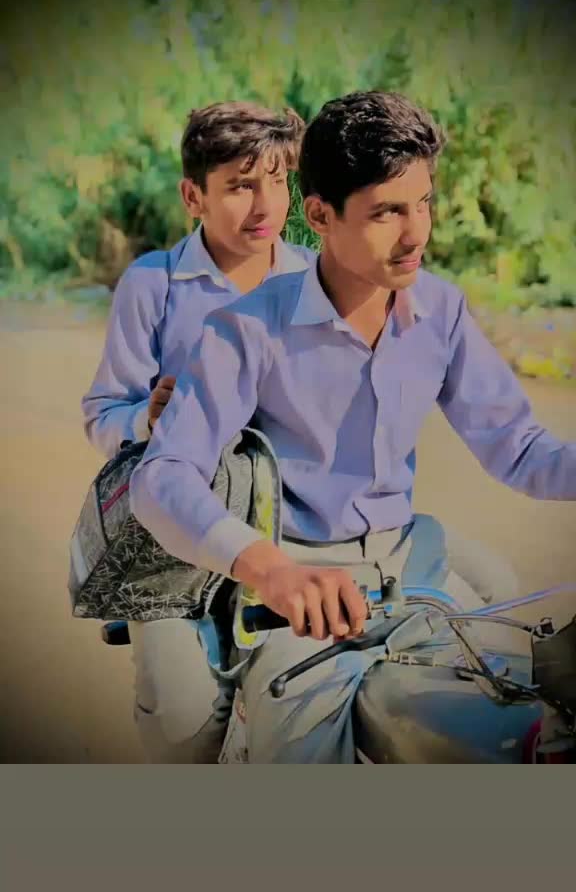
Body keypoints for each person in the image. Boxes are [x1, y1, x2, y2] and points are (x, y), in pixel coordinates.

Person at [130, 91, 576, 763]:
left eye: (423, 203)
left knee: (525, 719)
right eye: (387, 212)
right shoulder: (245, 329)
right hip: (296, 593)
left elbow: (520, 449)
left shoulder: (442, 312)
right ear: (319, 215)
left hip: (415, 569)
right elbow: (162, 477)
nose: (416, 233)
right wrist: (273, 571)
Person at [82, 100, 316, 762]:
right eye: (240, 186)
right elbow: (103, 414)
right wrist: (147, 419)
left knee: (312, 712)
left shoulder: (315, 279)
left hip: (294, 532)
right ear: (194, 197)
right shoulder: (153, 284)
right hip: (176, 535)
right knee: (182, 724)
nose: (265, 205)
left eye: (277, 181)